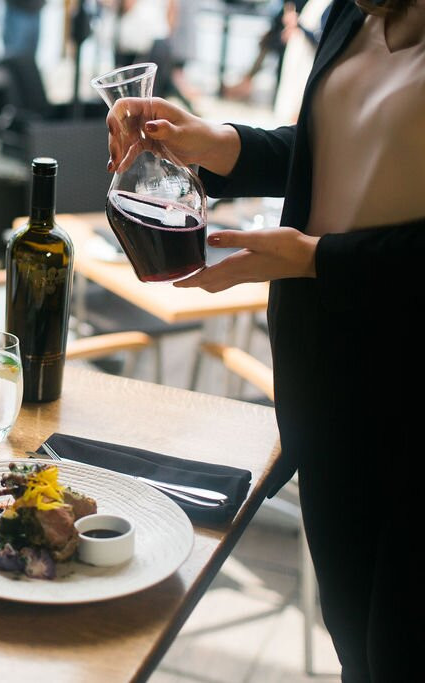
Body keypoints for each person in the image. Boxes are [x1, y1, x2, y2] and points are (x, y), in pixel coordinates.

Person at [105, 0, 424, 678]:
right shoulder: (354, 14)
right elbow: (336, 143)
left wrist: (317, 259)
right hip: (327, 380)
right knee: (355, 643)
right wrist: (217, 144)